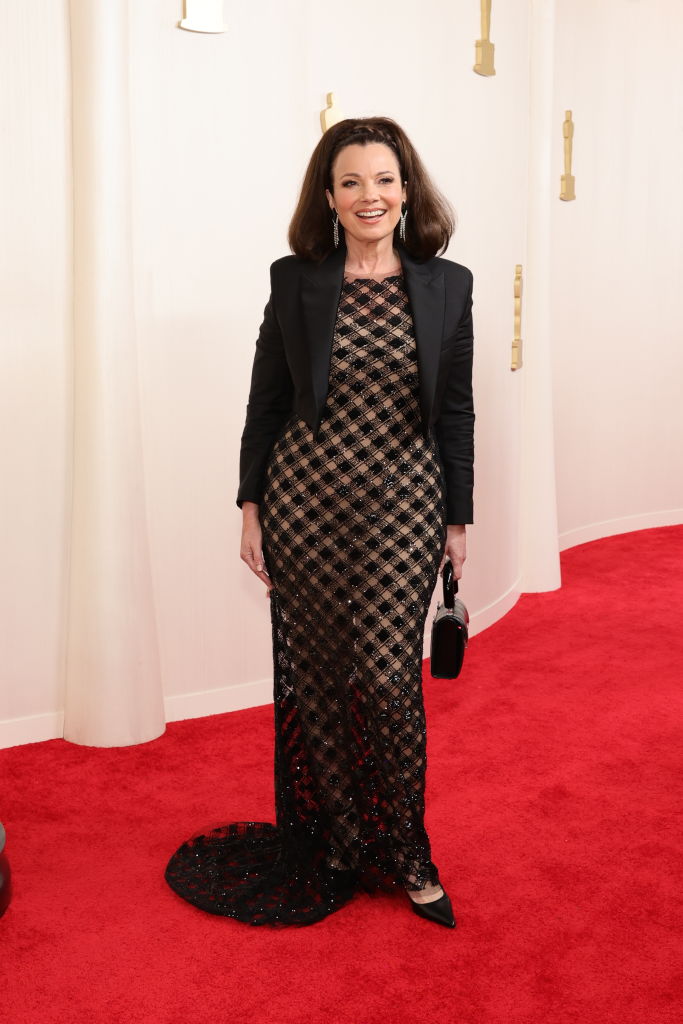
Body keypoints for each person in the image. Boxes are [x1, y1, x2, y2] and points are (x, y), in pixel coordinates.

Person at [165, 116, 474, 929]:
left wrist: (458, 517)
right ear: (328, 197)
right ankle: (339, 841)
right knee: (318, 680)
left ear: (405, 190)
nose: (369, 196)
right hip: (304, 499)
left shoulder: (448, 284)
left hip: (405, 501)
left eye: (383, 180)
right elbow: (266, 399)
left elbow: (455, 410)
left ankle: (408, 854)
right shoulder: (294, 281)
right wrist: (249, 505)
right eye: (350, 182)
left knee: (383, 677)